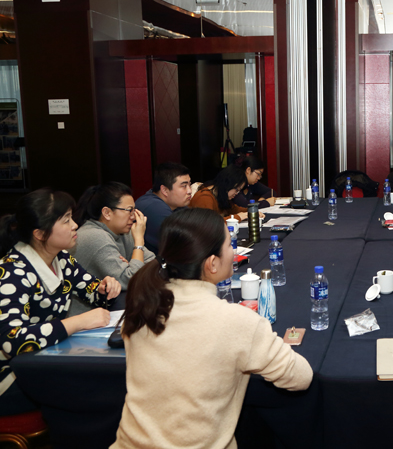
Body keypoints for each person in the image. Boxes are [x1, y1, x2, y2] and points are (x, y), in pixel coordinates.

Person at [111, 208, 312, 448]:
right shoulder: (236, 321)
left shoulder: (141, 307)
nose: (234, 251)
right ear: (212, 264)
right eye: (229, 245)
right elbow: (301, 377)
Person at [0, 189, 121, 415]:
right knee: (98, 387)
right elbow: (12, 341)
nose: (75, 225)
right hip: (10, 374)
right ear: (40, 233)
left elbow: (92, 291)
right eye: (66, 220)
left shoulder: (61, 258)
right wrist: (78, 322)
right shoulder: (12, 273)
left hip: (45, 359)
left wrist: (105, 287)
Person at [69, 182, 156, 316]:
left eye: (134, 210)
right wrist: (139, 240)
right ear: (107, 213)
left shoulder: (122, 232)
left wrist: (131, 265)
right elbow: (131, 280)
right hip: (86, 316)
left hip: (107, 310)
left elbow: (154, 264)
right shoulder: (95, 236)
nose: (134, 216)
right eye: (129, 210)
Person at [135, 162, 192, 253]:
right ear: (165, 190)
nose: (189, 191)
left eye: (189, 185)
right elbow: (185, 244)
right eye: (184, 186)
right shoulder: (153, 207)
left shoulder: (177, 204)